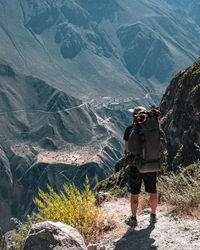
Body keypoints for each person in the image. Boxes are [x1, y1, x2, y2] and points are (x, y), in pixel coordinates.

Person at [124, 106, 158, 227]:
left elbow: (128, 149)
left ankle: (133, 218)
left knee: (135, 193)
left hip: (135, 166)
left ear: (134, 116)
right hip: (151, 163)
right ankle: (153, 216)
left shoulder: (129, 130)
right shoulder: (152, 129)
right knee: (153, 192)